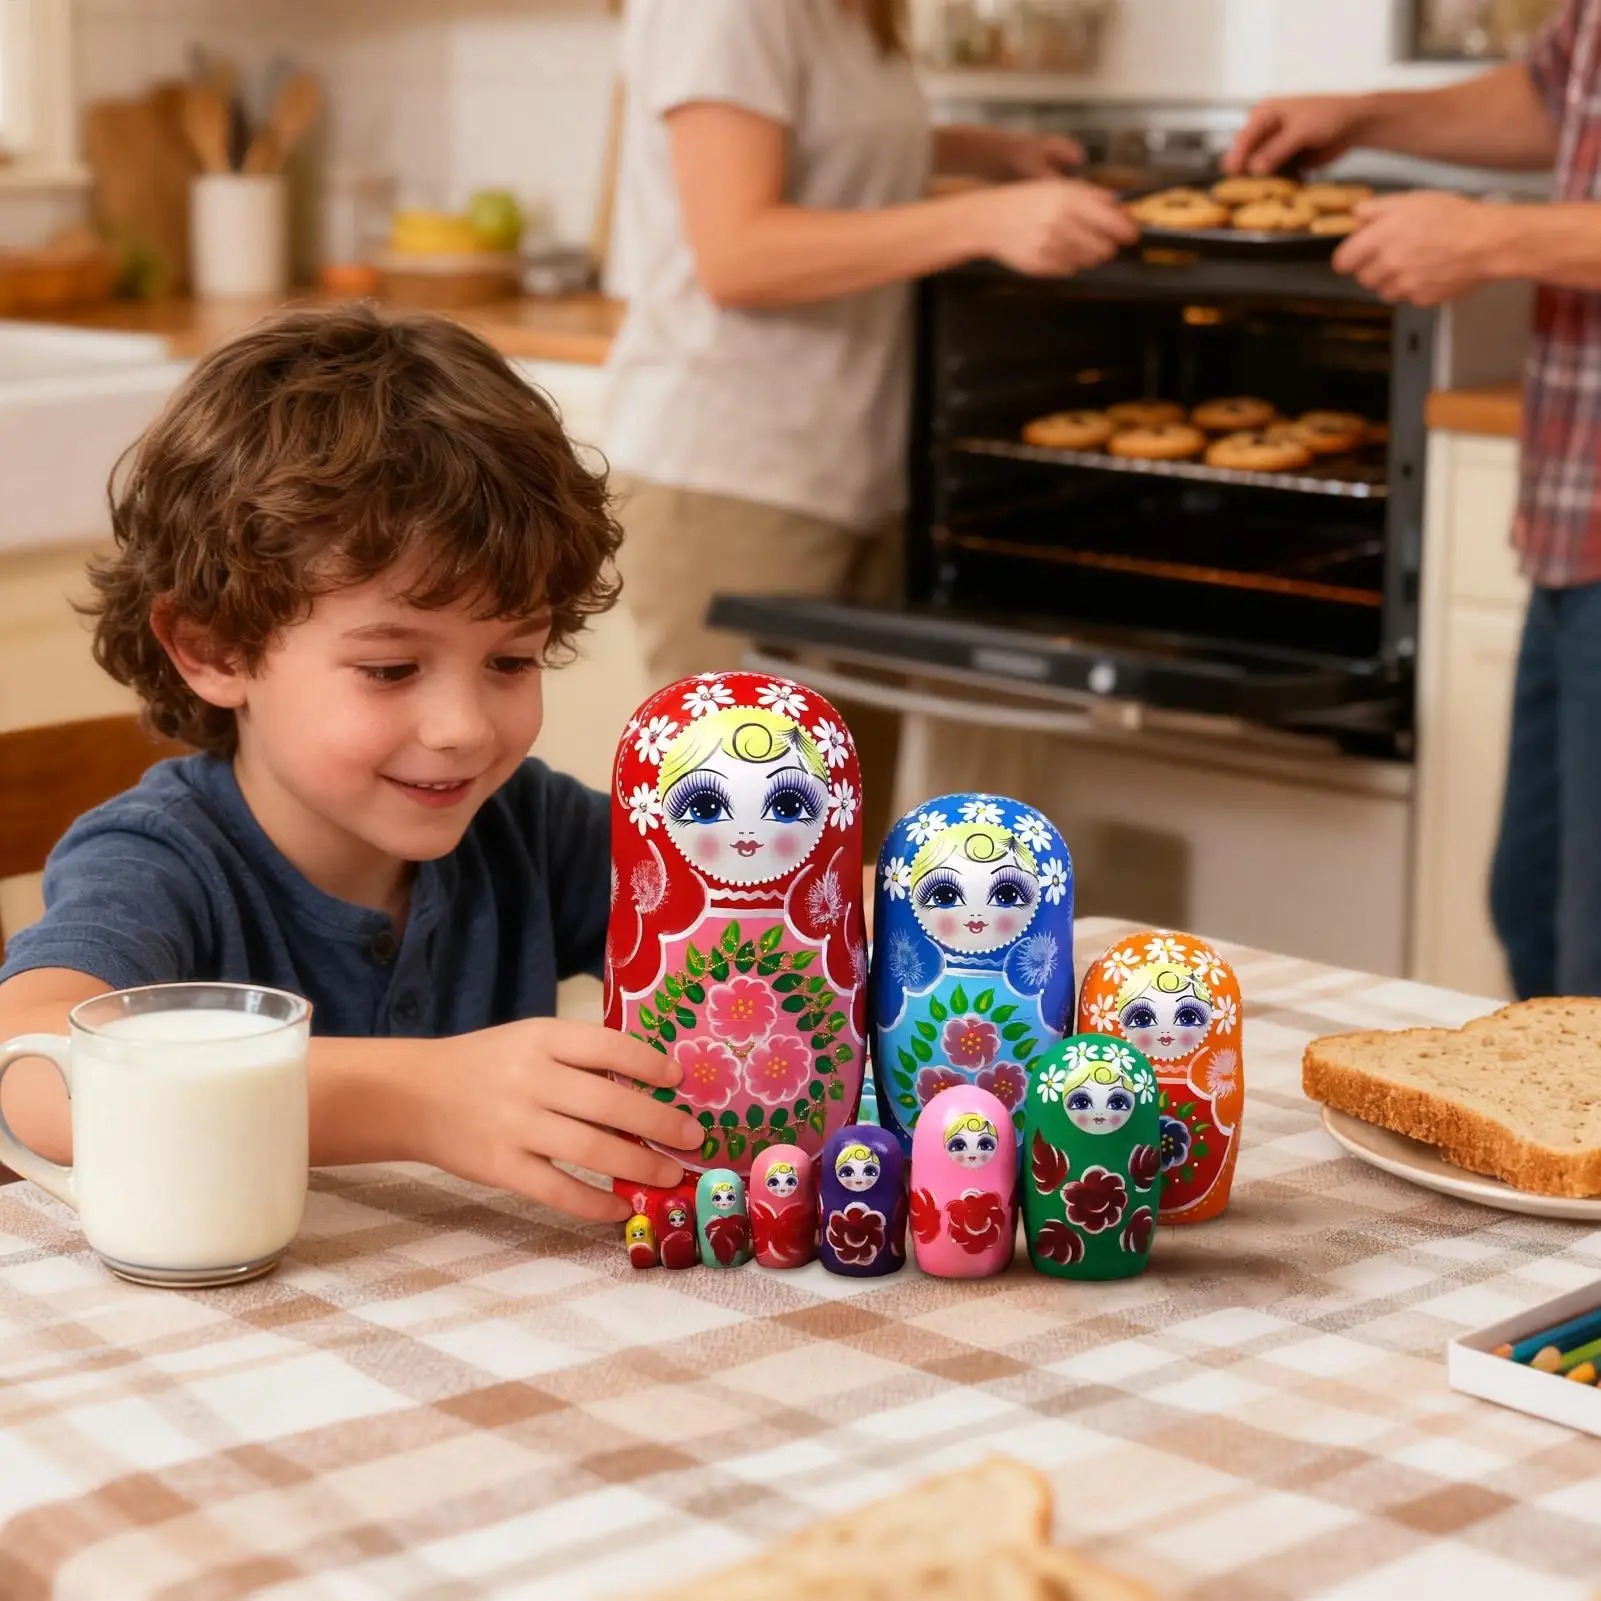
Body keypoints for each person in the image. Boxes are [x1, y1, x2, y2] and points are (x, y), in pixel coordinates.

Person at [0, 305, 702, 1220]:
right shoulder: (159, 861)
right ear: (213, 648)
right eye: (390, 669)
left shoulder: (529, 826)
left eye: (510, 660)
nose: (461, 728)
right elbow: (32, 1071)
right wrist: (420, 1098)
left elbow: (739, 929)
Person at [605, 0, 1137, 840]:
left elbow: (809, 136)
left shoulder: (858, 11)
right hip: (732, 479)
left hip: (854, 476)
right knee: (747, 861)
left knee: (834, 864)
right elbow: (737, 254)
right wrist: (983, 219)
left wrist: (978, 153)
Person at [1226, 0, 1601, 999]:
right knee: (1535, 921)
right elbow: (1553, 100)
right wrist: (1364, 117)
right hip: (1573, 526)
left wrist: (1494, 236)